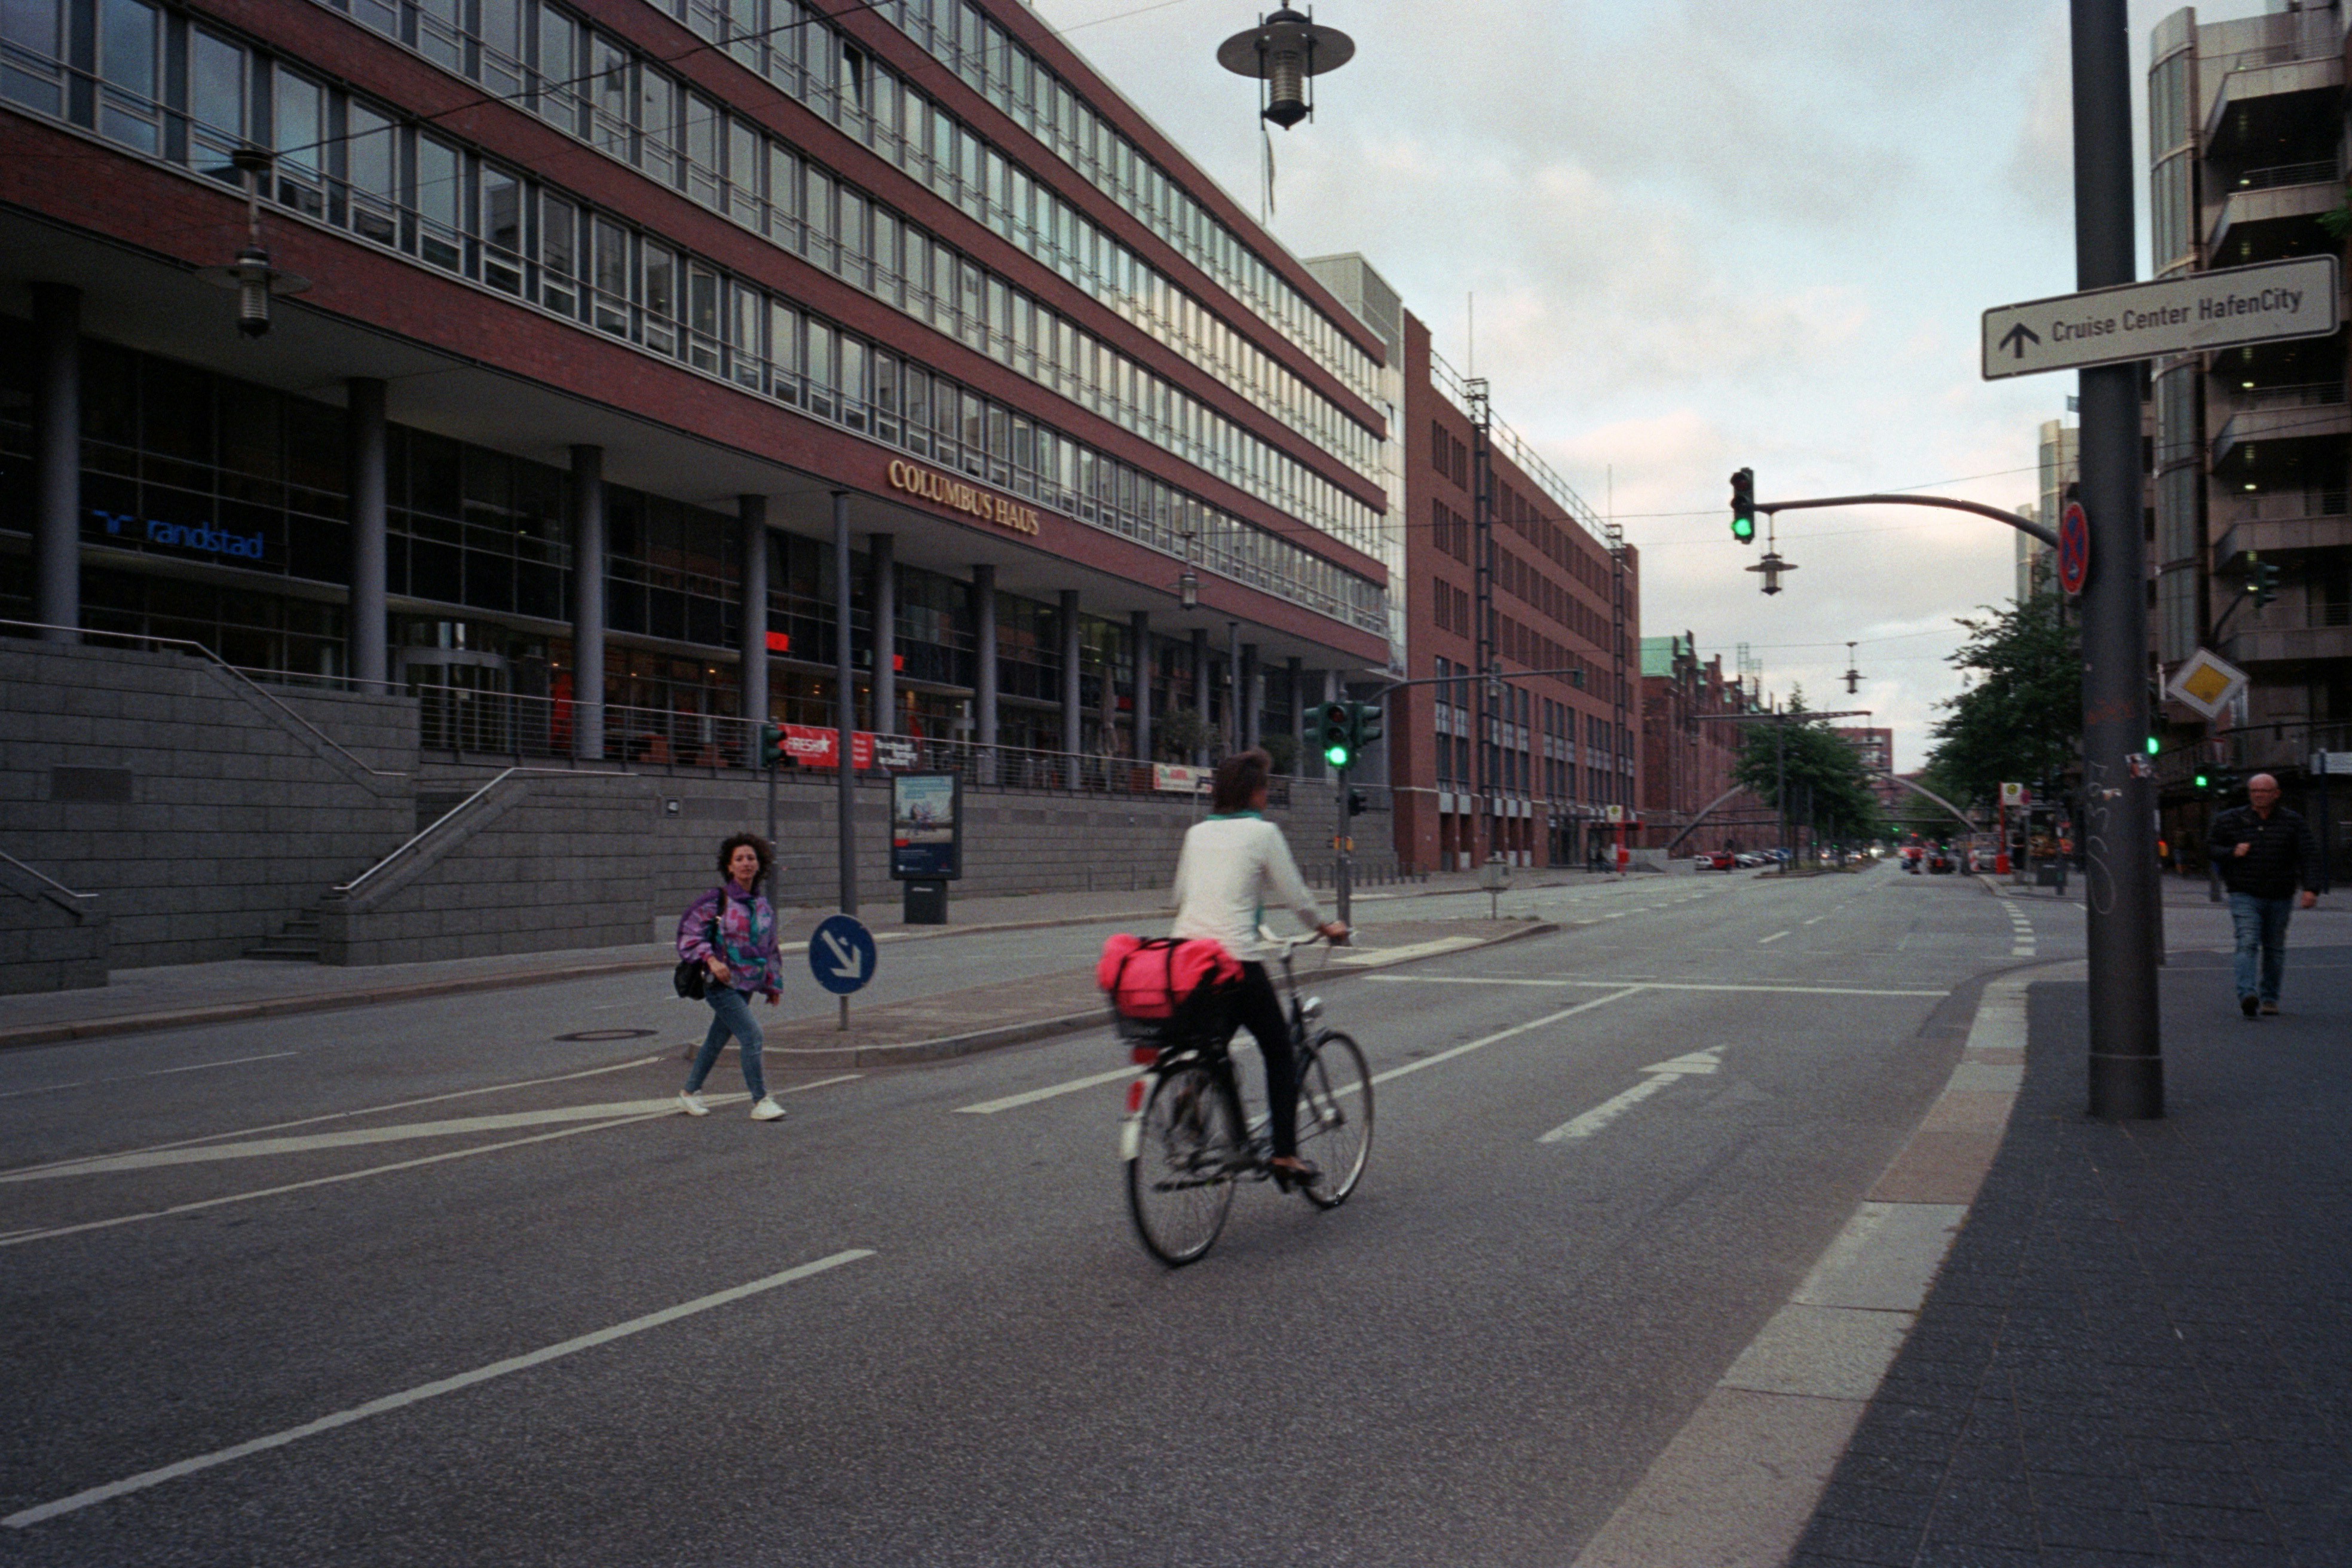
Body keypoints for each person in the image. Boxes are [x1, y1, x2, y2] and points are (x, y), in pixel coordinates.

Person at [1169, 749, 1349, 1186]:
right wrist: (1325, 927)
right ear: (1253, 791)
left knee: (1217, 1043)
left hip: (1186, 958)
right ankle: (1285, 1156)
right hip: (1235, 958)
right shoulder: (1263, 833)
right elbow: (1297, 896)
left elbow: (1180, 898)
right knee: (1279, 1052)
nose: (1269, 793)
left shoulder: (1196, 835)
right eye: (1266, 785)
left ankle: (1197, 1088)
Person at [676, 834, 788, 1118]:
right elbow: (689, 935)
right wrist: (711, 960)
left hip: (747, 985)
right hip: (721, 984)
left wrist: (773, 984)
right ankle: (761, 1101)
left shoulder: (763, 907)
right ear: (729, 866)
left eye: (751, 858)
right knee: (752, 1035)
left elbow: (771, 948)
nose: (746, 863)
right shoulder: (716, 900)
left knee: (716, 1040)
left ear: (759, 864)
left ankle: (689, 1093)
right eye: (739, 859)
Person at [2206, 773, 2323, 1019]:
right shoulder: (2231, 820)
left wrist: (2311, 888)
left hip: (2280, 893)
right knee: (2247, 940)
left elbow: (2309, 855)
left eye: (2264, 791)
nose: (2259, 795)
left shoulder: (2292, 822)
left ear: (2276, 794)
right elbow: (2211, 847)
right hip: (2244, 892)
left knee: (2274, 947)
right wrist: (2231, 852)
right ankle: (2248, 995)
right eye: (2254, 791)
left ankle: (2270, 997)